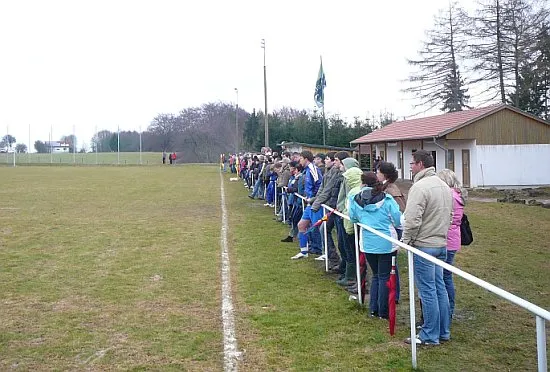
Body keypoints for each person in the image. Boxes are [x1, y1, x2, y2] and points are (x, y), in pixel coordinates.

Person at [402, 150, 453, 346]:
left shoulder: (420, 187)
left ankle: (430, 335)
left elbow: (412, 219)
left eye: (412, 163)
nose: (410, 167)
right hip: (441, 244)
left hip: (424, 245)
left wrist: (406, 241)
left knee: (428, 291)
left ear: (421, 164)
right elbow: (449, 216)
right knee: (439, 288)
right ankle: (443, 331)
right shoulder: (444, 185)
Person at [348, 171, 402, 319]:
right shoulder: (387, 199)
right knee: (384, 277)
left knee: (376, 276)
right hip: (386, 243)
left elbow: (353, 217)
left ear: (363, 184)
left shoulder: (355, 199)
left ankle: (374, 309)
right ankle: (383, 311)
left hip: (367, 242)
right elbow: (397, 220)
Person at [437, 169, 467, 318]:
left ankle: (447, 308)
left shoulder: (448, 196)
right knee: (446, 275)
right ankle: (449, 308)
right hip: (454, 238)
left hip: (446, 238)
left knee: (443, 276)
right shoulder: (458, 195)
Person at [377, 161, 406, 303]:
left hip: (393, 229)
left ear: (385, 174)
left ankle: (395, 295)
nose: (376, 174)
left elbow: (399, 212)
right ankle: (391, 293)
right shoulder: (386, 188)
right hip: (390, 228)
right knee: (388, 266)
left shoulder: (391, 191)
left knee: (391, 265)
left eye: (378, 172)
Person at [291, 150, 323, 260]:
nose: (299, 161)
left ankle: (323, 251)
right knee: (301, 225)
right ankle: (304, 252)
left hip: (315, 204)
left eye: (300, 158)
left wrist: (314, 198)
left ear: (306, 159)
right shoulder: (306, 170)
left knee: (318, 228)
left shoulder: (313, 169)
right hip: (309, 203)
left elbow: (319, 184)